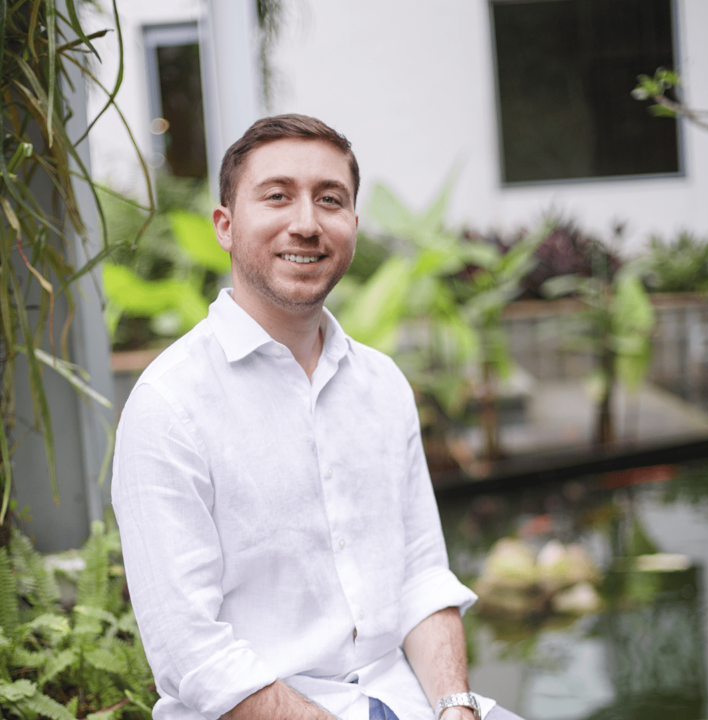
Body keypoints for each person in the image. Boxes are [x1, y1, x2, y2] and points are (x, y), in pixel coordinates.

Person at [112, 114, 522, 720]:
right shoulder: (170, 404)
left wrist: (456, 708)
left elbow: (420, 576)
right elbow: (189, 651)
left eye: (330, 200)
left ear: (353, 223)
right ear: (225, 226)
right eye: (277, 196)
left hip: (406, 698)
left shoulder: (383, 384)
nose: (306, 223)